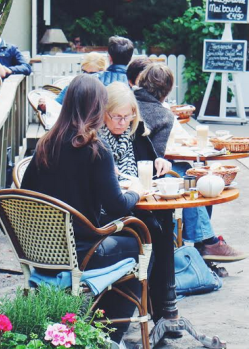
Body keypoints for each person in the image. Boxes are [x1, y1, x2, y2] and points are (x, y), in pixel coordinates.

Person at [20, 76, 145, 346]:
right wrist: (138, 191)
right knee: (140, 244)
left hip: (40, 250)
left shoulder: (45, 144)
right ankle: (108, 336)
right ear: (98, 108)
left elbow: (27, 195)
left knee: (129, 240)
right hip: (81, 252)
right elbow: (117, 206)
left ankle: (97, 327)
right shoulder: (95, 150)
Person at [137, 64, 246, 263]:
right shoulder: (162, 113)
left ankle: (204, 241)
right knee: (192, 177)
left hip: (130, 167)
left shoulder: (132, 101)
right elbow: (158, 155)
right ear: (168, 89)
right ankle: (206, 242)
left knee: (191, 173)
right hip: (147, 174)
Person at [100, 82, 180, 329]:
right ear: (104, 113)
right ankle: (160, 307)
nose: (122, 122)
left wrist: (161, 163)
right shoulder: (97, 140)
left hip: (134, 202)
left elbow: (149, 165)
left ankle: (165, 307)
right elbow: (106, 194)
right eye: (117, 117)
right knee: (156, 230)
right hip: (108, 212)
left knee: (163, 221)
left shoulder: (135, 133)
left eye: (128, 116)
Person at [57, 36, 133, 104]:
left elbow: (57, 103)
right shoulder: (136, 83)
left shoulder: (86, 80)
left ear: (109, 57)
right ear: (130, 58)